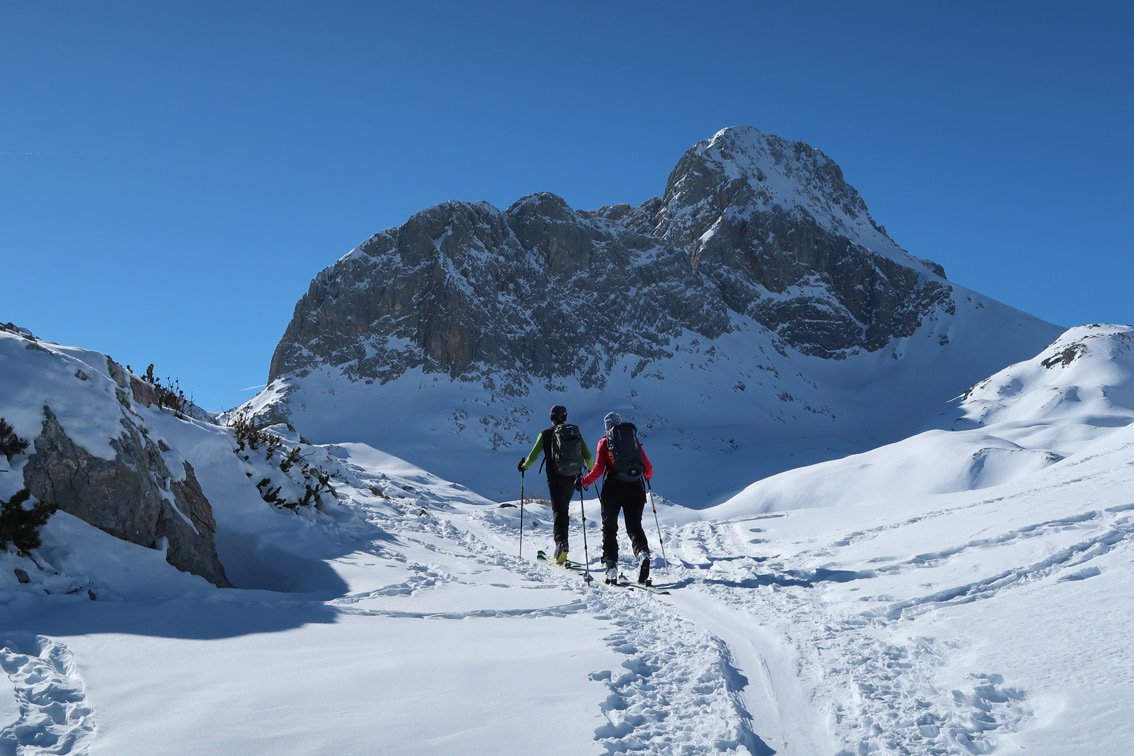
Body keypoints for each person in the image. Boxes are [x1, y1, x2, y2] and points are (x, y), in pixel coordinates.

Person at [580, 412, 654, 584]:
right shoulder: (633, 441)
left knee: (609, 528)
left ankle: (611, 566)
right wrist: (645, 477)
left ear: (607, 427)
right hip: (635, 488)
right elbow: (648, 468)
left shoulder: (605, 442)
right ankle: (642, 554)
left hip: (612, 489)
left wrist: (583, 481)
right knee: (634, 526)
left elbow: (598, 470)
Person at [518, 404, 594, 564]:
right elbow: (588, 456)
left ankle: (561, 544)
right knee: (564, 509)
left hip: (555, 478)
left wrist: (523, 466)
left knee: (558, 510)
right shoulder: (574, 433)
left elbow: (532, 456)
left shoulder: (545, 434)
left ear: (551, 418)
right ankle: (563, 543)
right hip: (572, 477)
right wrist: (591, 470)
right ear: (565, 417)